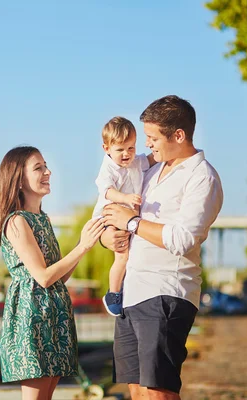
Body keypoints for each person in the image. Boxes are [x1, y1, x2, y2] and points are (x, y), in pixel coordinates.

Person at [101, 95, 223, 400]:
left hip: (166, 292)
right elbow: (112, 210)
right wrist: (110, 236)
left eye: (153, 138)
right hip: (132, 292)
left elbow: (182, 239)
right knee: (137, 392)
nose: (148, 145)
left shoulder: (202, 178)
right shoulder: (151, 170)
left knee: (159, 393)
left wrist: (132, 223)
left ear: (178, 135)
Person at [0, 145, 105, 400]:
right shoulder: (16, 221)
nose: (48, 172)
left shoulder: (43, 218)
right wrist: (82, 246)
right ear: (18, 179)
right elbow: (43, 276)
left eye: (45, 166)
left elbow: (59, 276)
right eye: (38, 168)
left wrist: (81, 248)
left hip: (55, 314)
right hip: (32, 317)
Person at [92, 116, 155, 317]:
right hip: (109, 215)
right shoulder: (108, 169)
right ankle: (113, 293)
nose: (127, 154)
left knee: (130, 255)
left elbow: (151, 159)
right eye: (120, 150)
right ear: (106, 148)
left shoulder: (136, 162)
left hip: (127, 217)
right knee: (122, 255)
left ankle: (125, 287)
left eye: (131, 148)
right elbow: (107, 191)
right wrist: (125, 197)